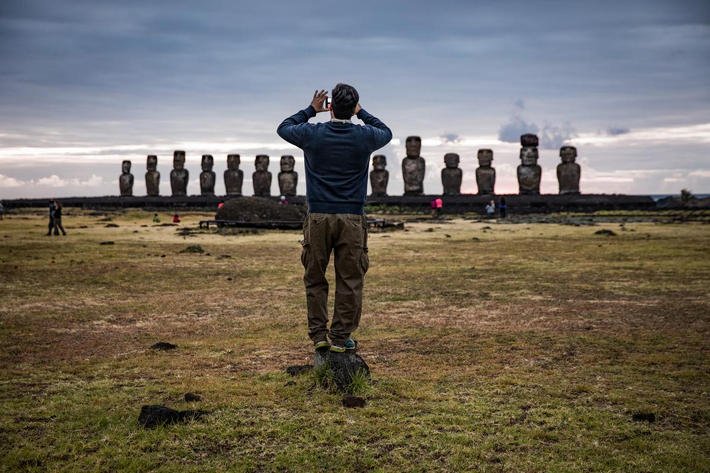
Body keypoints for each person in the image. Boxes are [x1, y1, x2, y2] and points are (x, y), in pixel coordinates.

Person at [277, 84, 392, 352]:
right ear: (353, 107)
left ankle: (319, 335)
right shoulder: (364, 136)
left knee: (315, 276)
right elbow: (386, 132)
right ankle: (340, 337)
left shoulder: (312, 133)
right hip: (351, 217)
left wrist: (310, 110)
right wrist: (362, 113)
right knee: (350, 279)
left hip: (317, 216)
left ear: (330, 107)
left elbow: (283, 127)